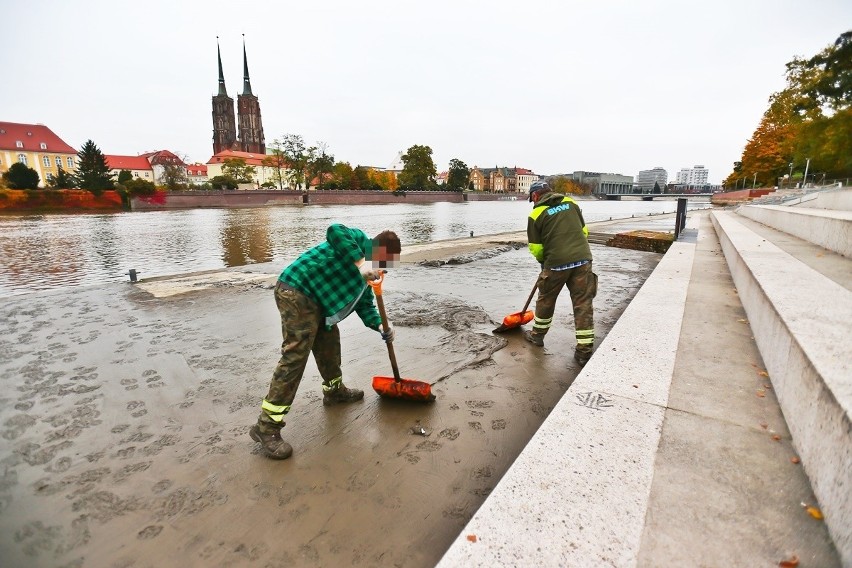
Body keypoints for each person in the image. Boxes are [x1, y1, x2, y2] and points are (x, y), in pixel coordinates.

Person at [249, 224, 401, 459]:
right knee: (295, 356)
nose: (384, 272)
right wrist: (361, 264)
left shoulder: (366, 281)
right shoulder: (357, 241)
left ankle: (334, 392)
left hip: (319, 304)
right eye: (384, 264)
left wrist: (382, 325)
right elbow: (334, 230)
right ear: (376, 252)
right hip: (296, 290)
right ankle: (266, 426)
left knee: (329, 343)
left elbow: (366, 306)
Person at [524, 180, 597, 367]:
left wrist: (544, 263)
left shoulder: (536, 214)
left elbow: (536, 248)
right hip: (583, 260)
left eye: (531, 200)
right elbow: (584, 232)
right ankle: (584, 351)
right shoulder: (572, 204)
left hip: (555, 264)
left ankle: (537, 336)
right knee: (583, 303)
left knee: (546, 300)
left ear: (535, 196)